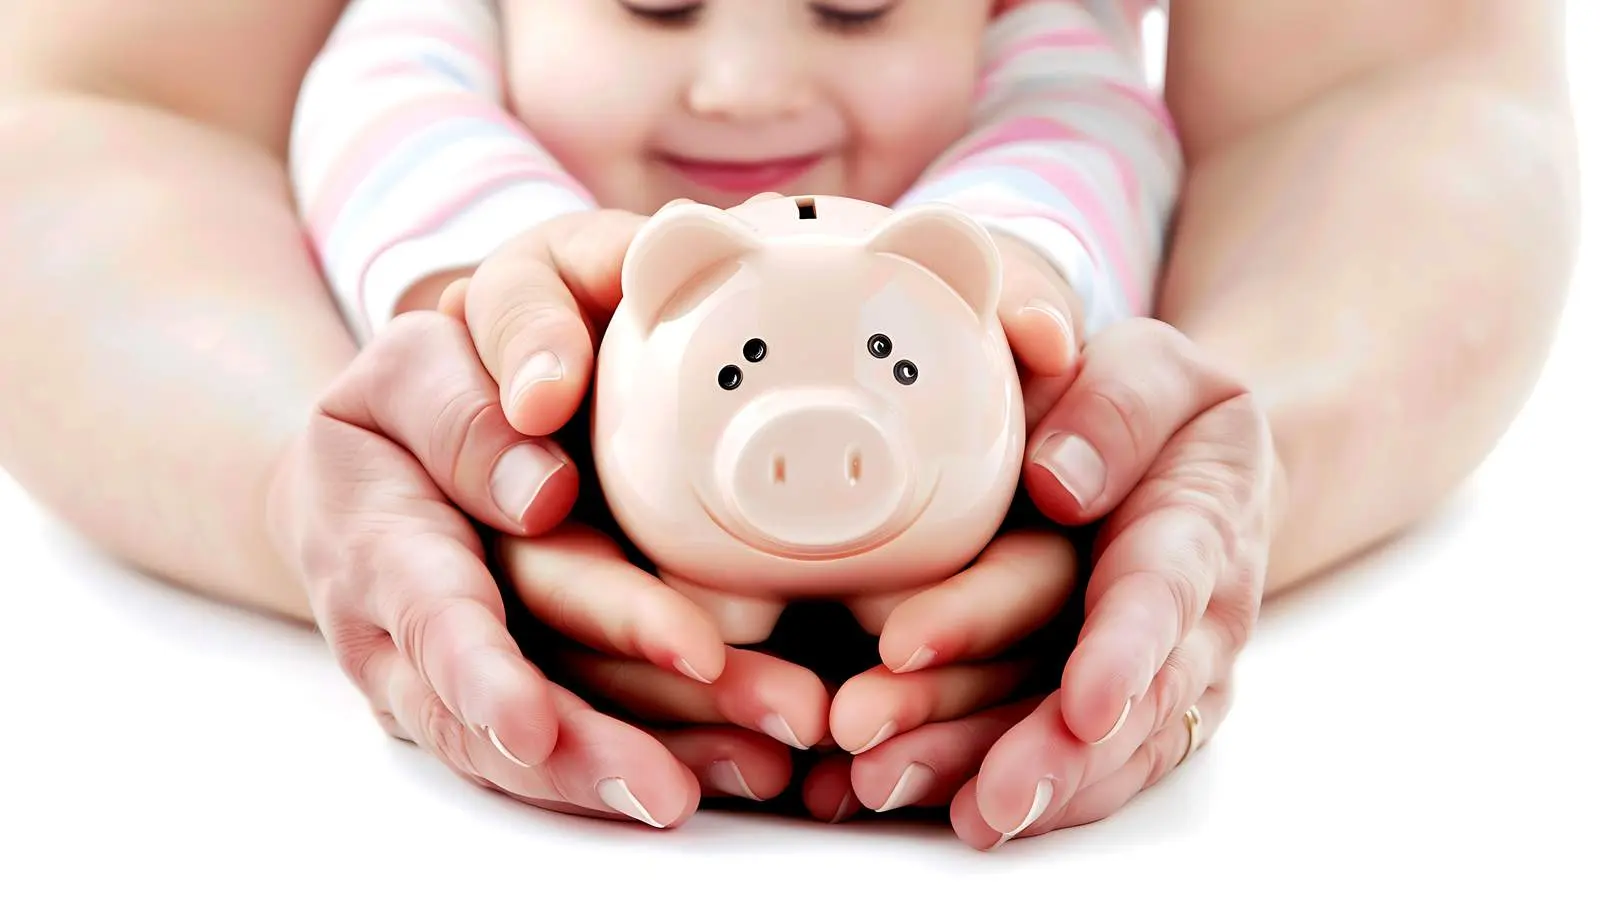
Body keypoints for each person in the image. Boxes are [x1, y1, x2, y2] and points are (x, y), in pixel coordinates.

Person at [0, 0, 1578, 851]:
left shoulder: (1046, 71)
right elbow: (110, 104)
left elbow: (1363, 81)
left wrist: (1075, 373)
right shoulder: (422, 62)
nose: (748, 87)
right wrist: (405, 402)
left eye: (858, 6)